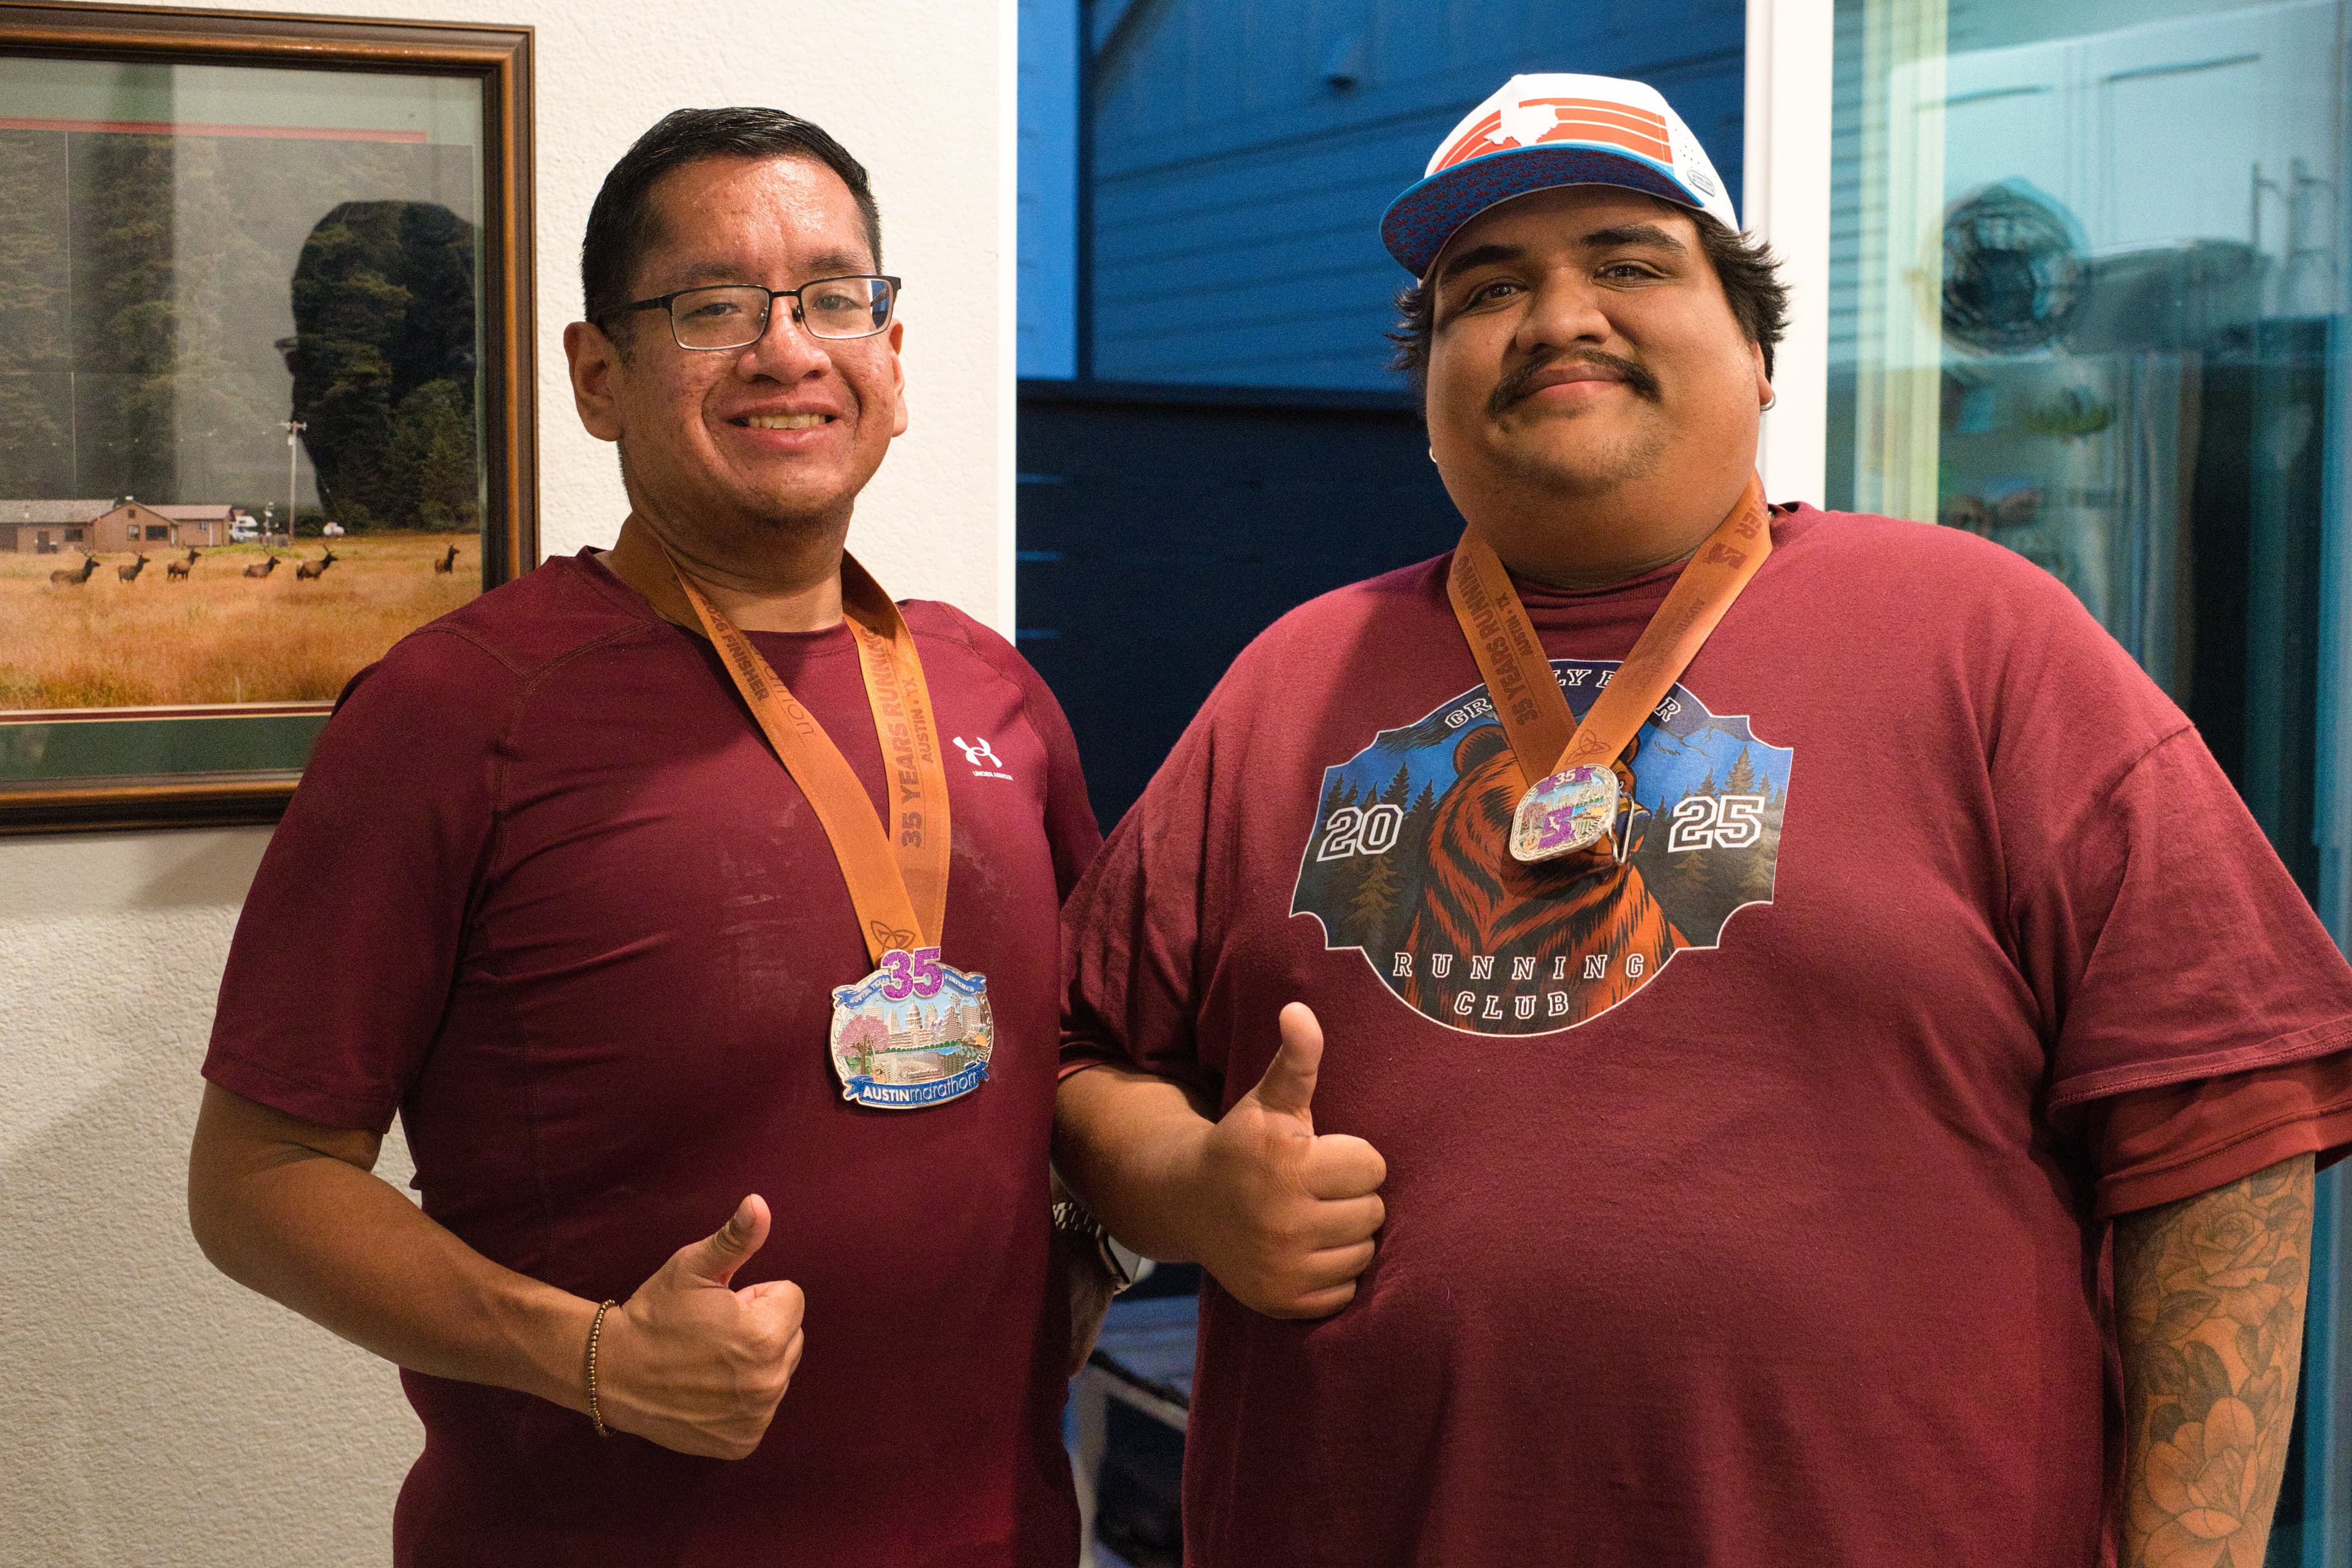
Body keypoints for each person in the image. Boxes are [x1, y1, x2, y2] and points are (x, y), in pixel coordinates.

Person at [1052, 73, 2352, 1566]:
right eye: (1488, 287)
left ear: (1758, 350)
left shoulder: (1983, 639)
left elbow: (2224, 1113)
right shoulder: (1290, 681)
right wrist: (1196, 1190)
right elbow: (1078, 1059)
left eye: (1626, 261)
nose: (1557, 316)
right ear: (1427, 385)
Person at [190, 108, 1109, 1566]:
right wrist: (593, 1354)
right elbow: (255, 1182)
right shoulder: (459, 708)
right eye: (712, 307)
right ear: (599, 375)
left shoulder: (997, 689)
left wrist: (1128, 1217)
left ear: (894, 356)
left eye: (835, 297)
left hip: (1003, 1534)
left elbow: (1073, 1064)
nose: (788, 348)